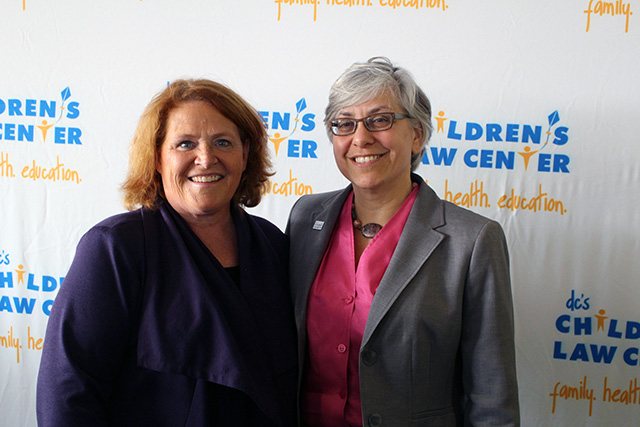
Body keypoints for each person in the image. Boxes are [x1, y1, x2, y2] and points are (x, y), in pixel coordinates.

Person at [37, 79, 297, 426]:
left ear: (245, 154)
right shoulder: (116, 249)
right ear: (157, 157)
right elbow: (67, 396)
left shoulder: (273, 245)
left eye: (223, 142)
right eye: (185, 144)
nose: (206, 158)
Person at [287, 58, 520, 426]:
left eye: (379, 120)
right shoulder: (305, 218)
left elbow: (492, 396)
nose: (360, 138)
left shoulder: (472, 241)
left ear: (417, 134)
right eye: (344, 124)